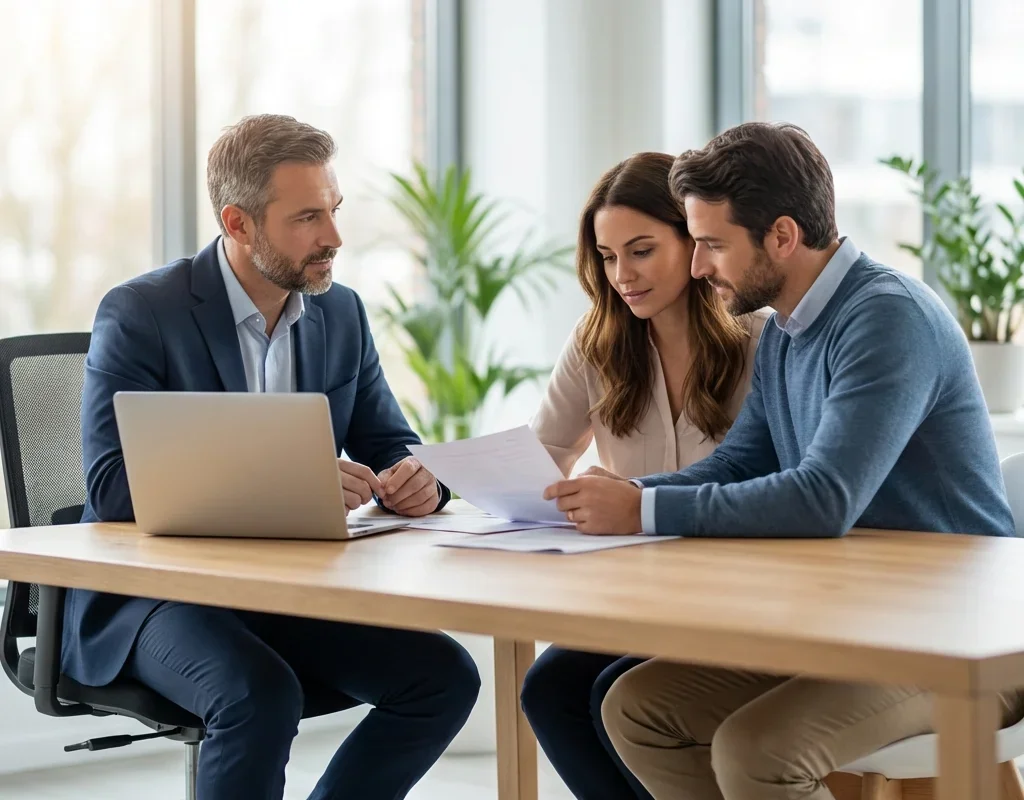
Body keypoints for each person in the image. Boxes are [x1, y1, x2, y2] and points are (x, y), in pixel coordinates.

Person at [543, 122, 1021, 800]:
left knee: (756, 750)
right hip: (861, 622)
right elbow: (740, 463)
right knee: (638, 709)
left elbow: (825, 498)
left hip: (961, 635)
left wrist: (642, 508)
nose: (698, 266)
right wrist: (627, 493)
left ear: (783, 236)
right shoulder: (787, 332)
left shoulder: (888, 318)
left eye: (712, 244)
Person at [68, 114, 480, 800]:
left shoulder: (340, 314)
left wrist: (425, 479)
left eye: (335, 210)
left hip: (285, 592)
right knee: (258, 693)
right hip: (158, 597)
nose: (334, 237)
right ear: (239, 223)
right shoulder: (143, 313)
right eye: (308, 218)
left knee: (443, 677)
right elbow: (112, 487)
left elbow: (391, 442)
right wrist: (290, 480)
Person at [522, 152, 767, 800]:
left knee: (611, 694)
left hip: (742, 597)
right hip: (640, 598)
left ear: (694, 242)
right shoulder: (598, 340)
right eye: (607, 257)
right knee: (549, 689)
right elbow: (543, 455)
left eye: (641, 251)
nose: (622, 276)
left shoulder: (762, 340)